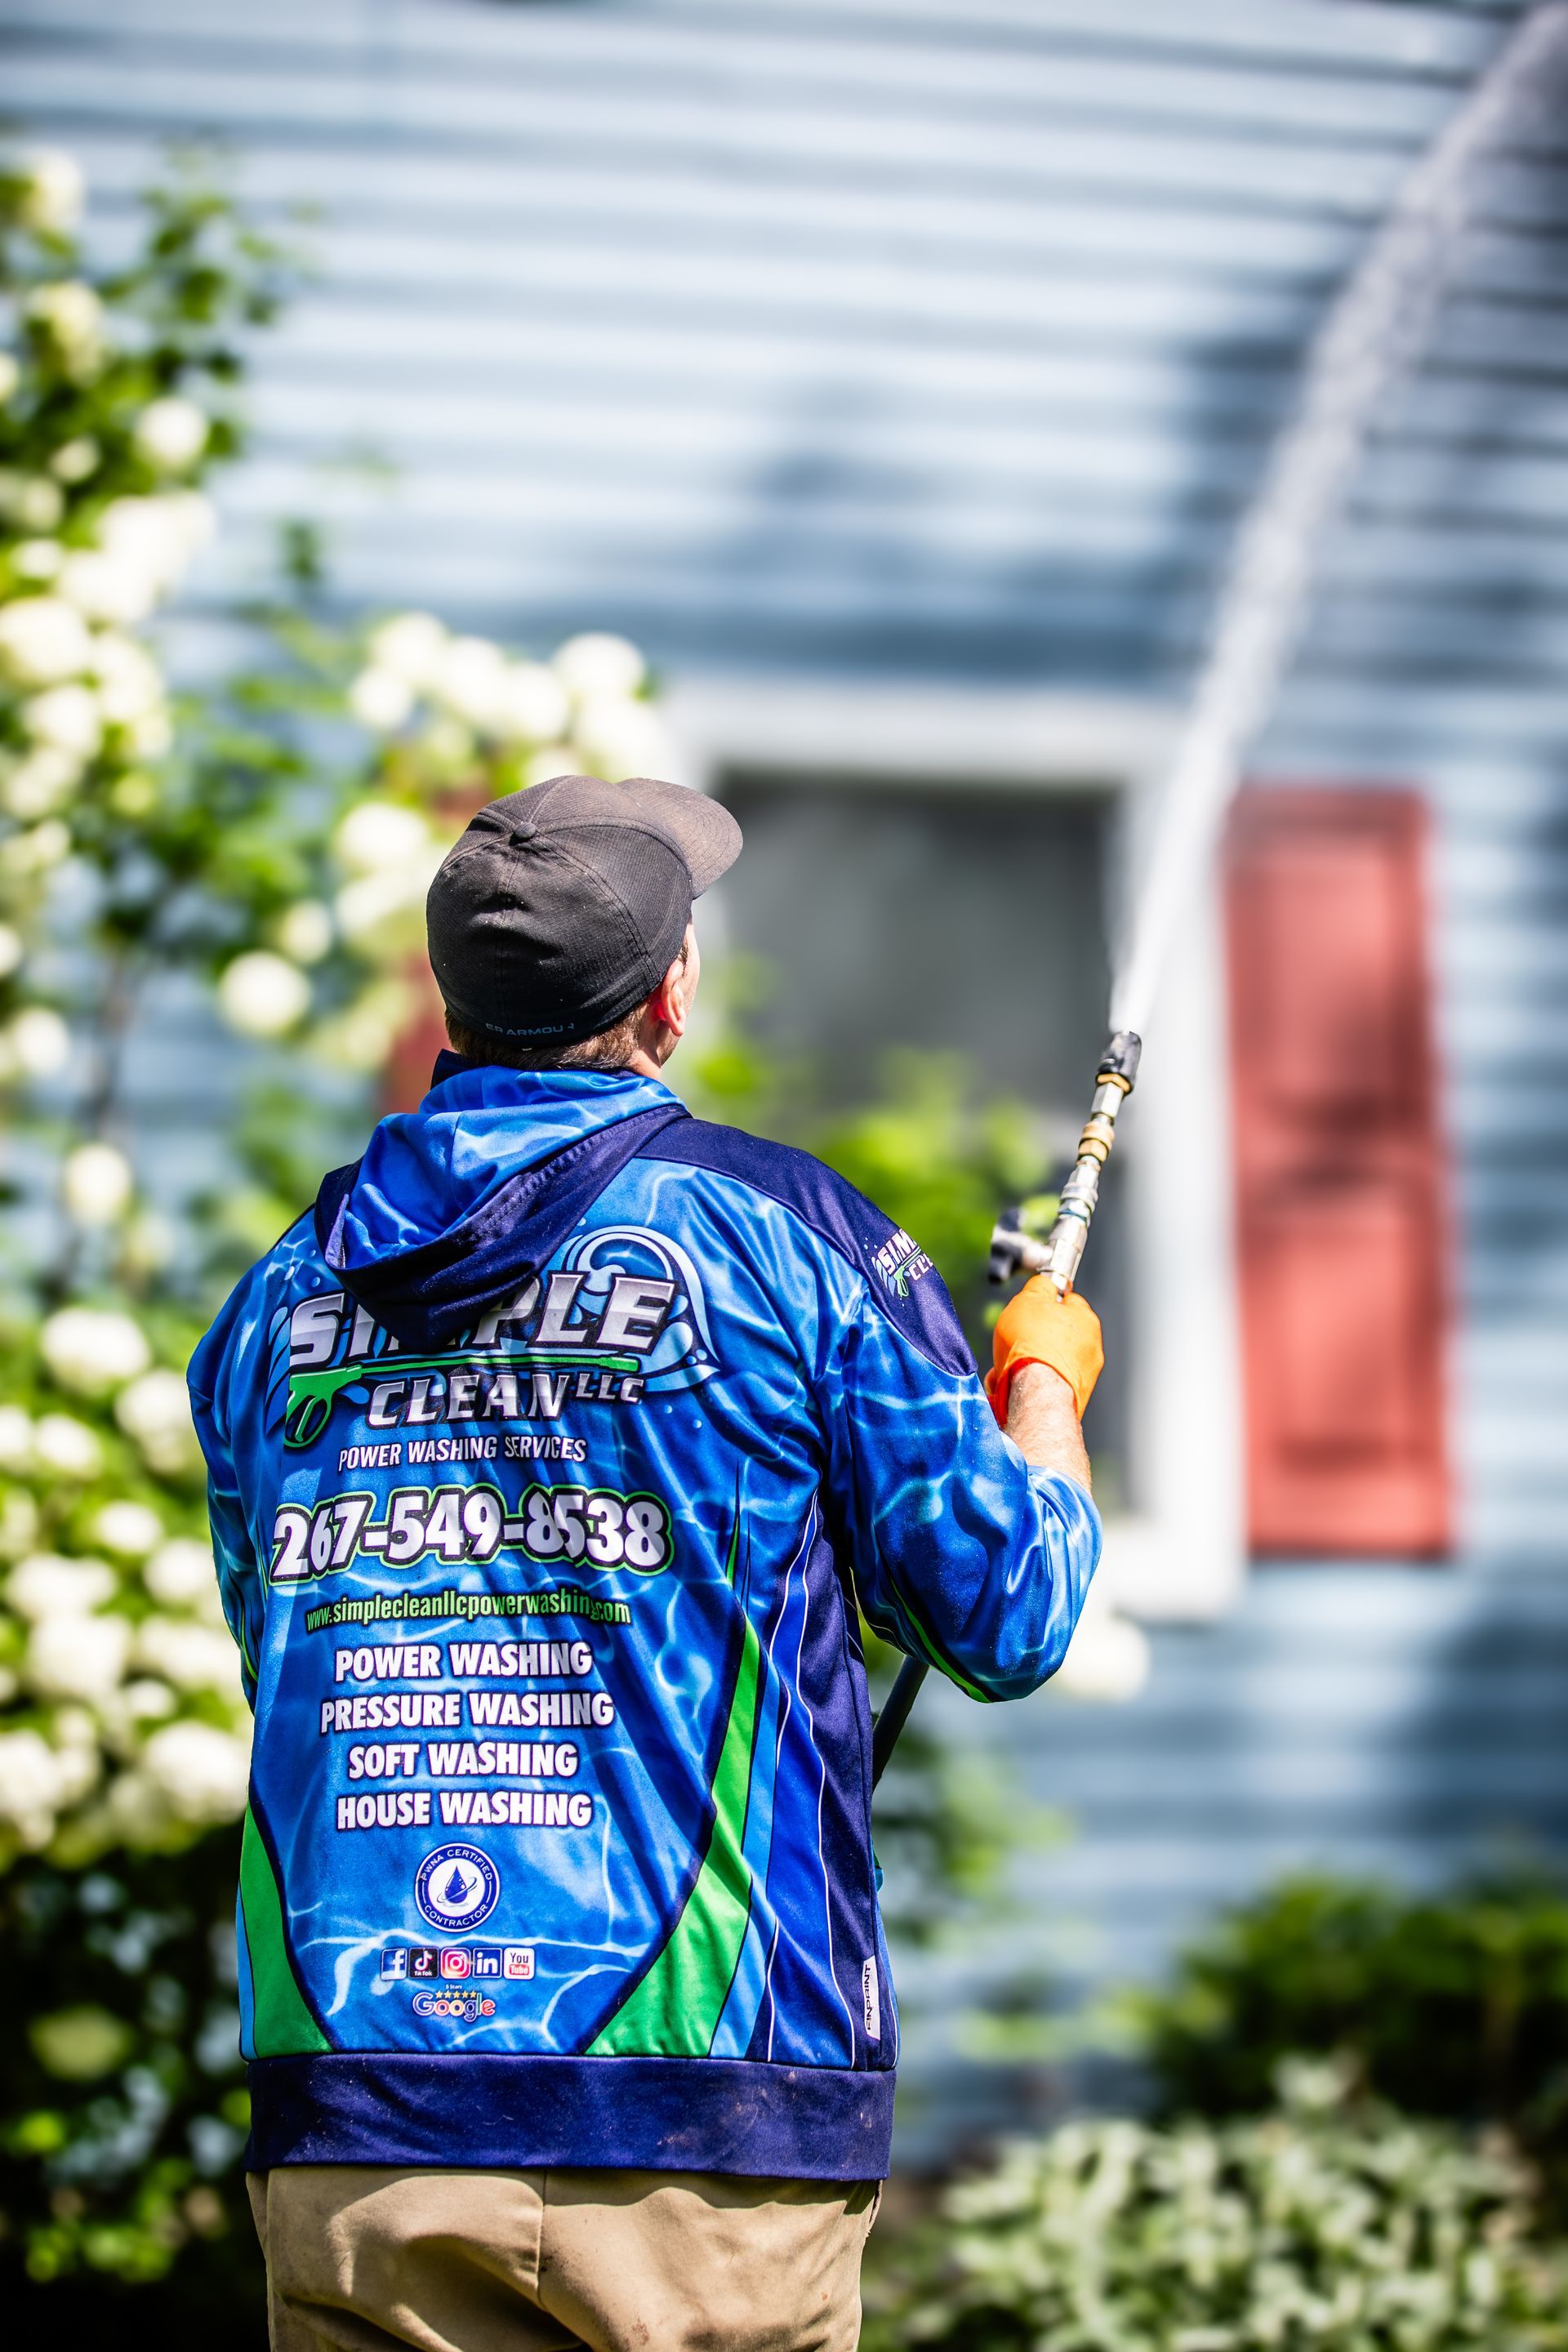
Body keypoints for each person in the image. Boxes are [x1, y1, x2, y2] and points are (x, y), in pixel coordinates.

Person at [189, 772, 1106, 2352]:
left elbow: (270, 1632)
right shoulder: (778, 1235)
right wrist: (1041, 1380)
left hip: (363, 2121)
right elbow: (1010, 1609)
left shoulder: (283, 1296)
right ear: (670, 997)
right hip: (709, 2127)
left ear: (452, 1006)